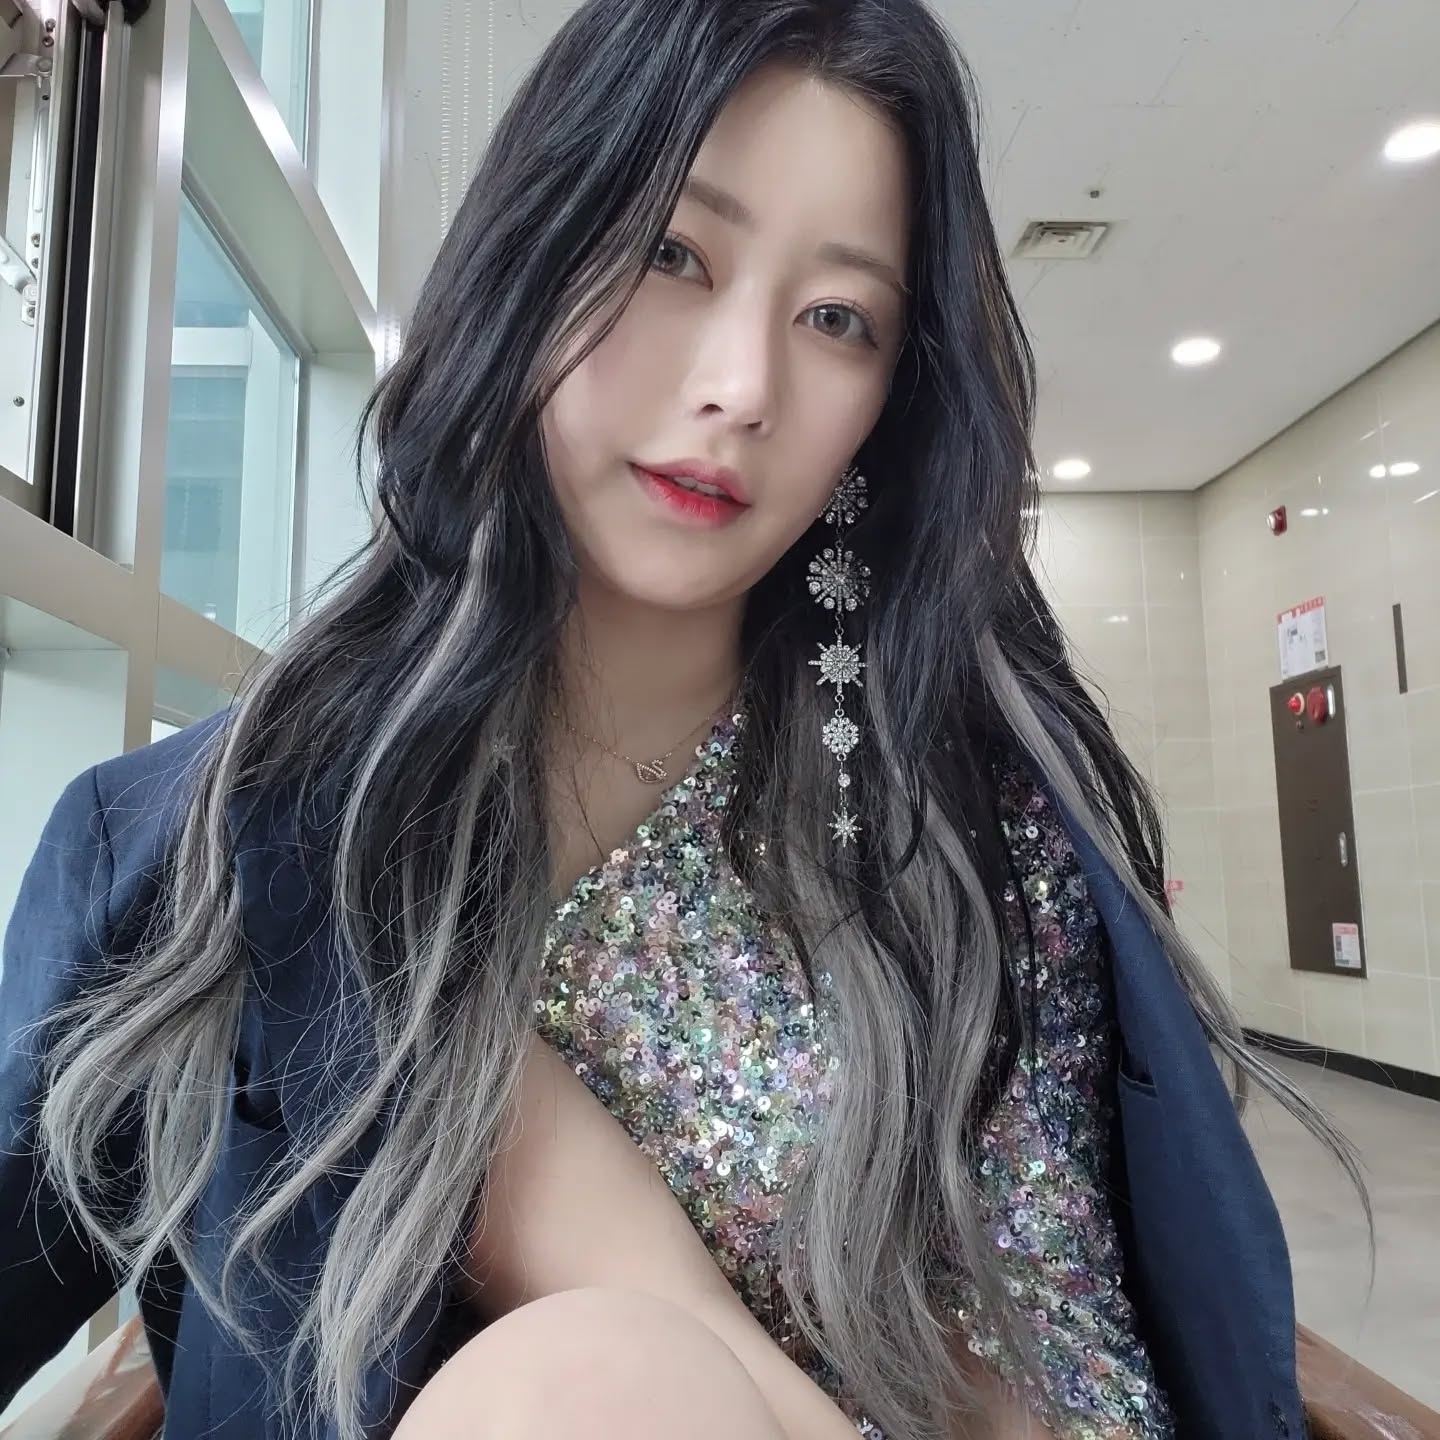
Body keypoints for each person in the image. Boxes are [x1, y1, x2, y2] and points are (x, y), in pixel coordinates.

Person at [0, 2, 1358, 1437]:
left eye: (838, 319)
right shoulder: (208, 841)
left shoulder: (962, 827)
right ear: (537, 249)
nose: (742, 388)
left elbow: (1076, 1382)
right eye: (672, 253)